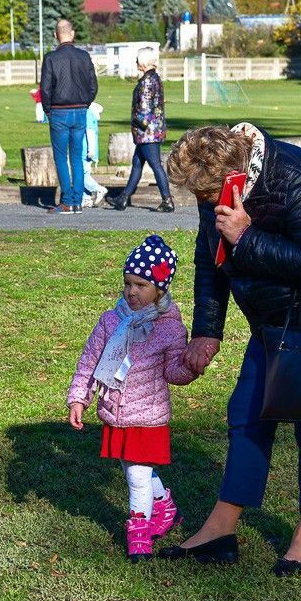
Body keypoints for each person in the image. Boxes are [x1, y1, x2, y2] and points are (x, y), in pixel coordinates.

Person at [158, 124, 301, 575]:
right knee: (247, 412)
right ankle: (221, 530)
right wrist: (208, 330)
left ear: (236, 175)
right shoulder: (217, 185)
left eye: (207, 196)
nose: (204, 205)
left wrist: (246, 235)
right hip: (272, 316)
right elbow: (210, 258)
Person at [67, 235, 198, 561]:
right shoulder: (112, 321)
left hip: (148, 415)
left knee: (137, 475)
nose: (131, 291)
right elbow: (90, 360)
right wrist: (78, 397)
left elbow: (174, 373)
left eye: (141, 284)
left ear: (160, 289)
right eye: (128, 283)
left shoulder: (169, 328)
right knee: (133, 467)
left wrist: (192, 366)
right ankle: (166, 508)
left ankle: (139, 532)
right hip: (116, 411)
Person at [40, 19, 97, 215]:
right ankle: (77, 202)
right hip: (80, 110)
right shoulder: (84, 56)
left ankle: (66, 201)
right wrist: (85, 103)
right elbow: (93, 86)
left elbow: (45, 89)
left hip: (59, 112)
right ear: (72, 34)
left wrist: (48, 110)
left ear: (56, 35)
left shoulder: (50, 58)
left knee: (61, 158)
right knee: (76, 157)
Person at [107, 47, 174, 213]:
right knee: (137, 164)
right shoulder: (156, 78)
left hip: (147, 132)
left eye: (137, 60)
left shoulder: (146, 81)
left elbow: (144, 109)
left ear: (143, 62)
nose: (136, 62)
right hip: (154, 129)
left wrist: (135, 121)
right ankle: (123, 199)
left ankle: (167, 200)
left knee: (155, 165)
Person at [82, 101, 109, 208]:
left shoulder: (87, 113)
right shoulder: (90, 113)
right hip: (86, 150)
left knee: (80, 175)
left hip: (84, 151)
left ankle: (98, 189)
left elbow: (90, 132)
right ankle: (86, 198)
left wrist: (91, 150)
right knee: (85, 173)